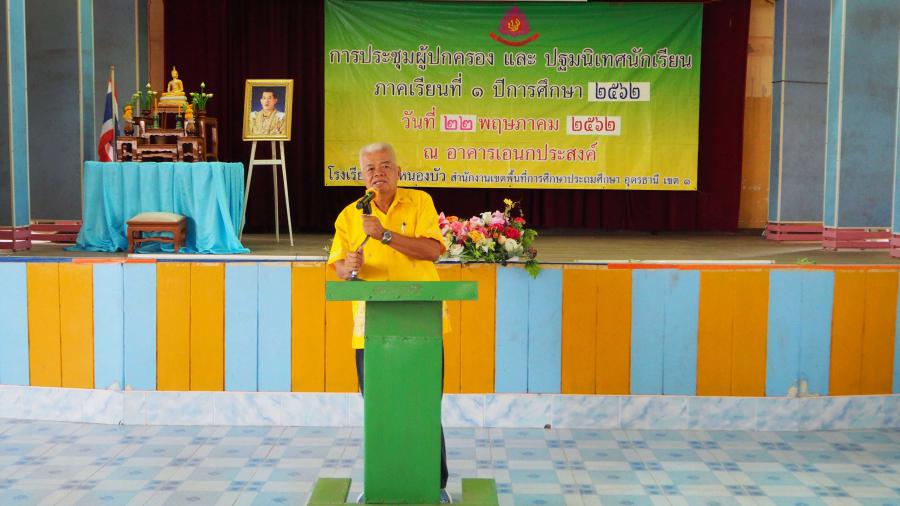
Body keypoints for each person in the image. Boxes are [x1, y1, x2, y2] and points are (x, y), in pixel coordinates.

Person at [327, 142, 452, 504]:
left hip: (422, 323)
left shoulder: (420, 202)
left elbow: (432, 250)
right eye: (370, 169)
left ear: (399, 171)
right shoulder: (350, 215)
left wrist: (384, 234)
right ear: (361, 177)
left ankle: (434, 485)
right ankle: (382, 481)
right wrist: (348, 268)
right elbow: (339, 267)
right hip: (371, 327)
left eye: (385, 166)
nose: (378, 174)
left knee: (423, 405)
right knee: (379, 407)